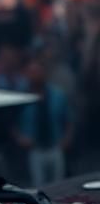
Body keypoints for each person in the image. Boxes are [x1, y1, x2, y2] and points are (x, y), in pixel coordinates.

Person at [14, 56, 73, 188]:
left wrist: (66, 140)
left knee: (60, 185)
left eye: (38, 71)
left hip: (55, 146)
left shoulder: (57, 95)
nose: (35, 75)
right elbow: (12, 123)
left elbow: (68, 120)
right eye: (32, 72)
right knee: (39, 186)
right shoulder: (21, 97)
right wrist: (20, 138)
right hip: (35, 149)